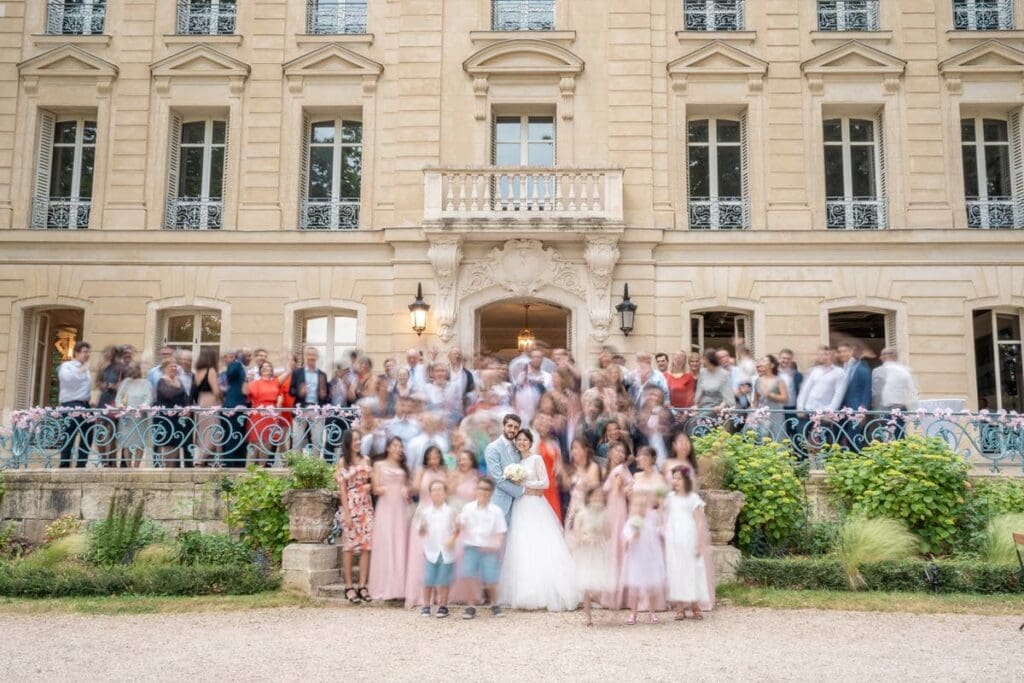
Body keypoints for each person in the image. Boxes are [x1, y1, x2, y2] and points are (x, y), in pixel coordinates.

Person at [498, 429, 579, 611]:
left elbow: (545, 483)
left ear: (530, 442)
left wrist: (524, 483)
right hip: (520, 506)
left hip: (535, 505)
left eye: (525, 440)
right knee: (522, 544)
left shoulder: (536, 459)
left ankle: (549, 591)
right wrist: (517, 485)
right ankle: (525, 592)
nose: (522, 442)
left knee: (540, 542)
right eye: (519, 440)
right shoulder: (516, 462)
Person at [452, 477, 507, 620]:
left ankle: (494, 604)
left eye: (486, 489)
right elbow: (460, 524)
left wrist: (496, 545)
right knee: (467, 574)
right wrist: (456, 523)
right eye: (480, 488)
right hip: (471, 547)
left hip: (489, 549)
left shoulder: (496, 511)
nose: (483, 492)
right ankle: (471, 606)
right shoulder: (468, 508)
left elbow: (501, 531)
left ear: (491, 492)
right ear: (476, 490)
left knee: (491, 579)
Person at [664, 467, 712, 620]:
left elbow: (699, 522)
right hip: (674, 540)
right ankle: (680, 608)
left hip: (689, 538)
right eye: (674, 478)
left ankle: (695, 606)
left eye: (679, 478)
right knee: (676, 571)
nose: (676, 481)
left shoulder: (693, 498)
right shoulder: (670, 497)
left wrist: (698, 543)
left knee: (693, 570)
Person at [405, 445, 448, 608]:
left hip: (440, 514)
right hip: (423, 512)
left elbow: (450, 490)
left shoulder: (445, 471)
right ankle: (418, 595)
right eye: (430, 457)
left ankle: (438, 595)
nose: (433, 460)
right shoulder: (422, 470)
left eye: (436, 456)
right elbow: (415, 488)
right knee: (419, 554)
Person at [367, 437, 409, 603]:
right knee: (385, 544)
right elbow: (375, 489)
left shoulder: (403, 467)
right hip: (385, 507)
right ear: (388, 448)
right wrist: (386, 488)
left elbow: (408, 486)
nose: (398, 448)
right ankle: (384, 586)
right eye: (395, 445)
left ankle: (399, 587)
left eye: (400, 446)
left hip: (400, 507)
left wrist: (405, 488)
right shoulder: (378, 465)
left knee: (399, 544)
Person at [335, 429, 373, 605]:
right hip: (350, 504)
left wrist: (370, 486)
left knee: (366, 547)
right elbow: (342, 489)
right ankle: (348, 587)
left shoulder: (366, 459)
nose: (358, 443)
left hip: (366, 504)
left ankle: (362, 585)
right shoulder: (343, 462)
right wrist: (347, 513)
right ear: (348, 442)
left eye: (360, 439)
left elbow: (371, 482)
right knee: (349, 547)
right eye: (355, 440)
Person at [568, 487, 616, 627]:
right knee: (586, 585)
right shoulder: (582, 514)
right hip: (585, 553)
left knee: (598, 582)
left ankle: (600, 603)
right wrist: (584, 538)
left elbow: (609, 534)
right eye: (595, 496)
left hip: (598, 552)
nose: (597, 499)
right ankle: (587, 617)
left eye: (600, 497)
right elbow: (576, 532)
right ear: (588, 498)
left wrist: (601, 533)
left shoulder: (604, 514)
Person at [622, 491, 666, 625]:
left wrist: (661, 530)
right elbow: (625, 540)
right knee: (634, 588)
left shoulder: (651, 520)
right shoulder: (631, 522)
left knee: (651, 587)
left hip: (650, 558)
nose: (640, 508)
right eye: (637, 505)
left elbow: (658, 531)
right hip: (636, 558)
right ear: (632, 507)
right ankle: (633, 613)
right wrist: (632, 537)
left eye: (642, 505)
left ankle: (652, 612)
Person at [416, 480, 457, 618]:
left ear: (445, 493)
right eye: (434, 490)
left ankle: (443, 606)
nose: (437, 492)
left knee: (443, 581)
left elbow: (456, 529)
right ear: (430, 494)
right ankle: (426, 605)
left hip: (446, 552)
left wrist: (452, 539)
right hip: (431, 551)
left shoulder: (451, 511)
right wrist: (422, 528)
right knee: (428, 580)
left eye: (440, 489)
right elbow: (420, 530)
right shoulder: (426, 512)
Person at [447, 449, 481, 606]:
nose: (462, 462)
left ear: (472, 461)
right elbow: (448, 494)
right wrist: (455, 480)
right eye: (460, 459)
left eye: (465, 459)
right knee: (456, 554)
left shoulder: (477, 477)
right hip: (456, 517)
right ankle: (454, 593)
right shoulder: (453, 475)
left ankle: (472, 594)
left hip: (473, 519)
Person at [601, 441, 633, 610]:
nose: (620, 454)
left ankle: (616, 596)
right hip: (609, 509)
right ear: (610, 451)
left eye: (623, 452)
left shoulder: (621, 470)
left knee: (616, 547)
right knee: (609, 548)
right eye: (617, 450)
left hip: (617, 510)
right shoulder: (607, 470)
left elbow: (619, 491)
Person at [483, 413, 525, 525]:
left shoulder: (517, 449)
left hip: (517, 506)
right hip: (499, 503)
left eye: (516, 428)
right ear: (503, 426)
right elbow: (498, 479)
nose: (512, 430)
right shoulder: (492, 448)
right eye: (510, 426)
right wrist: (522, 491)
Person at [58, 340, 94, 469]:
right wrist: (80, 371)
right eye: (84, 352)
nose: (87, 354)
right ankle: (64, 463)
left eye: (88, 352)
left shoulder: (85, 369)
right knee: (70, 432)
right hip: (71, 404)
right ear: (76, 353)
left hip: (85, 405)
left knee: (88, 432)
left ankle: (81, 463)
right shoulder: (67, 366)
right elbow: (67, 380)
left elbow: (85, 387)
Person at [289, 346, 329, 456]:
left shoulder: (322, 374)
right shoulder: (297, 372)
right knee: (297, 440)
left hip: (316, 411)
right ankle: (296, 464)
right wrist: (299, 391)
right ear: (305, 356)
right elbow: (291, 391)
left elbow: (326, 395)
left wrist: (324, 395)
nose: (311, 357)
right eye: (309, 354)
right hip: (300, 410)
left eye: (313, 355)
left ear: (317, 357)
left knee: (317, 440)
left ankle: (314, 464)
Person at [872, 347, 919, 439]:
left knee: (887, 437)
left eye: (882, 355)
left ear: (887, 356)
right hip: (900, 408)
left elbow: (876, 393)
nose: (880, 358)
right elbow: (913, 390)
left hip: (886, 408)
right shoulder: (905, 370)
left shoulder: (879, 371)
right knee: (899, 436)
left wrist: (875, 410)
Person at [247, 360, 286, 466]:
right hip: (257, 415)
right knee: (256, 442)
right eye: (263, 366)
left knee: (267, 443)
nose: (265, 368)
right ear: (260, 370)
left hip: (271, 415)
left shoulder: (276, 382)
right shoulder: (254, 383)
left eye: (268, 366)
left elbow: (287, 372)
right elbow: (247, 396)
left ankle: (262, 467)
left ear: (272, 370)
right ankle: (252, 468)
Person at [154, 358, 191, 468]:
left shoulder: (178, 380)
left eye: (175, 366)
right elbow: (169, 394)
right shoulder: (162, 381)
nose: (174, 368)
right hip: (166, 418)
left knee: (176, 443)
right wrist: (177, 387)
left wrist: (187, 407)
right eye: (172, 366)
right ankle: (167, 467)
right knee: (167, 443)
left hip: (178, 418)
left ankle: (173, 467)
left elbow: (185, 397)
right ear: (165, 368)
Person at [114, 361, 151, 468]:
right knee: (127, 442)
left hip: (140, 416)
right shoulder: (125, 382)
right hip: (127, 416)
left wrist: (144, 406)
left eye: (135, 369)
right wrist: (120, 405)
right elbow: (118, 397)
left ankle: (137, 466)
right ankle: (129, 466)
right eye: (131, 369)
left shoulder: (146, 383)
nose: (133, 371)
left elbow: (149, 398)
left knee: (140, 441)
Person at [838, 341, 872, 450]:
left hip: (856, 409)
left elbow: (867, 390)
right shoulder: (842, 368)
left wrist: (863, 411)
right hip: (841, 410)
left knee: (853, 440)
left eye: (845, 351)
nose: (842, 354)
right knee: (840, 439)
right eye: (840, 352)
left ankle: (856, 459)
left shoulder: (862, 367)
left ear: (851, 351)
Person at [192, 347, 221, 467]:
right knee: (213, 431)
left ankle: (203, 459)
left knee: (203, 432)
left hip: (201, 401)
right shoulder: (211, 370)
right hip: (210, 401)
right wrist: (221, 399)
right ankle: (201, 460)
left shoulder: (198, 371)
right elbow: (216, 391)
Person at [564, 437, 601, 531]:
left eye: (576, 448)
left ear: (585, 450)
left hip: (586, 508)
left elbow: (593, 490)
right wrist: (562, 471)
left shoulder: (593, 467)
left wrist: (580, 471)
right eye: (572, 448)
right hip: (573, 507)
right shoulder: (573, 467)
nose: (573, 451)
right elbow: (568, 486)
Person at [221, 348, 250, 467]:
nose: (247, 357)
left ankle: (238, 464)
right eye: (245, 355)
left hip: (240, 405)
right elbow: (230, 374)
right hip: (234, 405)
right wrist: (235, 362)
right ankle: (229, 464)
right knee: (233, 436)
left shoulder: (240, 367)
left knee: (238, 436)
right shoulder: (236, 365)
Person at [752, 355, 789, 439]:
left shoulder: (779, 380)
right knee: (761, 438)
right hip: (762, 414)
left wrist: (771, 395)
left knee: (776, 437)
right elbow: (755, 400)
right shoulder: (758, 380)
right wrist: (752, 414)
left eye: (764, 361)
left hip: (775, 413)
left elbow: (785, 398)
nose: (761, 363)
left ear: (772, 365)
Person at [695, 349, 735, 413]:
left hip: (717, 408)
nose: (702, 361)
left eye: (703, 359)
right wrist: (695, 405)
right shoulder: (702, 372)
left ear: (709, 360)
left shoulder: (724, 374)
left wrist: (720, 407)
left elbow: (728, 396)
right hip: (703, 406)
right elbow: (699, 392)